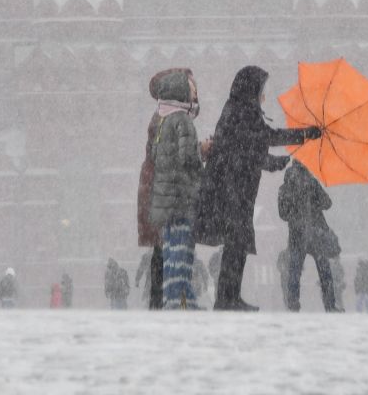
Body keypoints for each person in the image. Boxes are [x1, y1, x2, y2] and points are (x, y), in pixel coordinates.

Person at [195, 66, 320, 311]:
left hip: (231, 186)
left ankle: (229, 297)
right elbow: (264, 140)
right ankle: (227, 298)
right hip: (230, 188)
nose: (263, 97)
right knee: (236, 240)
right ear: (251, 89)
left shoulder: (239, 110)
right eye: (261, 91)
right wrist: (305, 134)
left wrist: (273, 162)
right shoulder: (243, 111)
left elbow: (248, 148)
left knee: (237, 241)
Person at [146, 68, 205, 309]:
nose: (195, 94)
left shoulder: (163, 120)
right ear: (181, 92)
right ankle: (181, 301)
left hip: (165, 202)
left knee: (171, 252)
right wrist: (203, 152)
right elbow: (188, 158)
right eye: (192, 90)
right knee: (182, 252)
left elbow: (155, 154)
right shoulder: (182, 120)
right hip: (181, 199)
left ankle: (174, 298)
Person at [278, 158, 342, 312]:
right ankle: (330, 305)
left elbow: (283, 214)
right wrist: (314, 203)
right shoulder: (311, 182)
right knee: (324, 271)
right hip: (315, 233)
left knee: (294, 271)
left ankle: (293, 305)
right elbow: (328, 203)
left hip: (296, 234)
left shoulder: (284, 188)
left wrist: (295, 213)